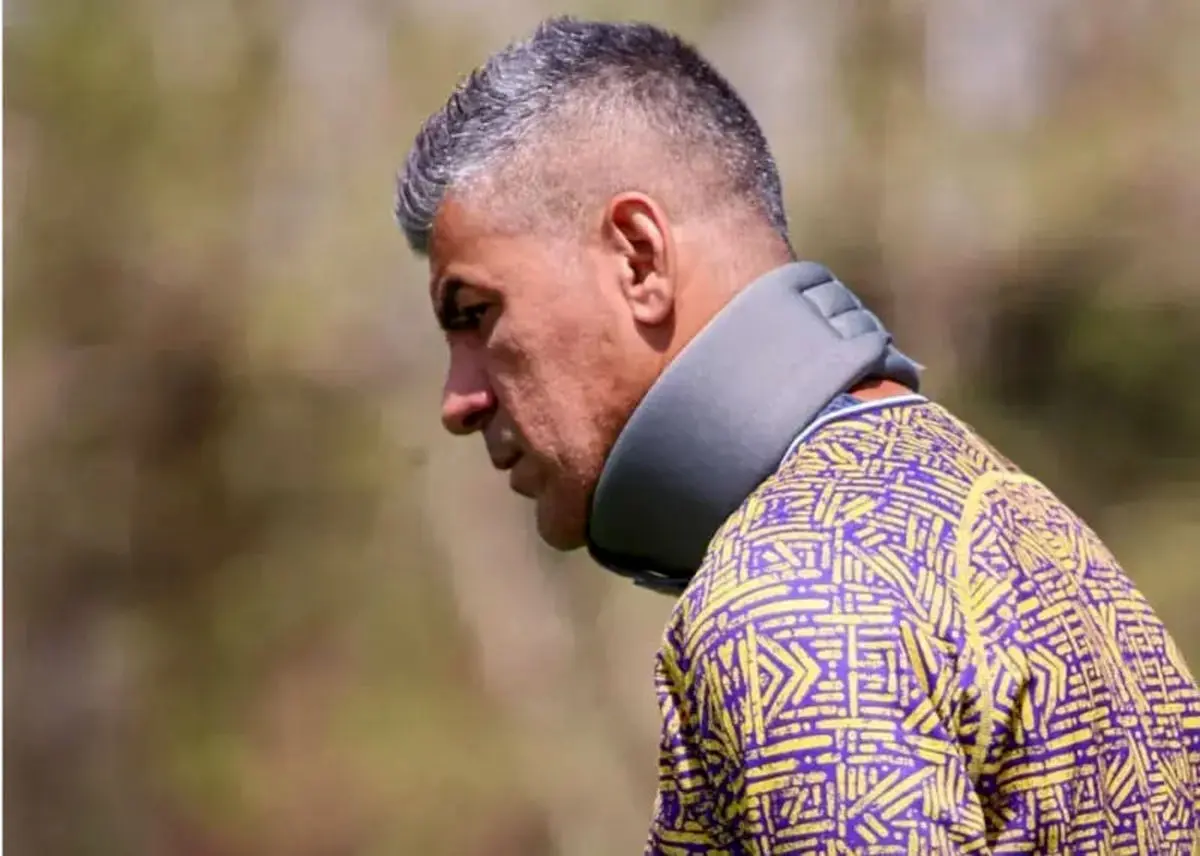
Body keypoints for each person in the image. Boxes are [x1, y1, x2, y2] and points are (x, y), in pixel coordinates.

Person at [394, 16, 1200, 854]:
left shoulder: (790, 594)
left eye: (476, 313)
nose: (459, 402)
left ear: (638, 258)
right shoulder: (997, 504)